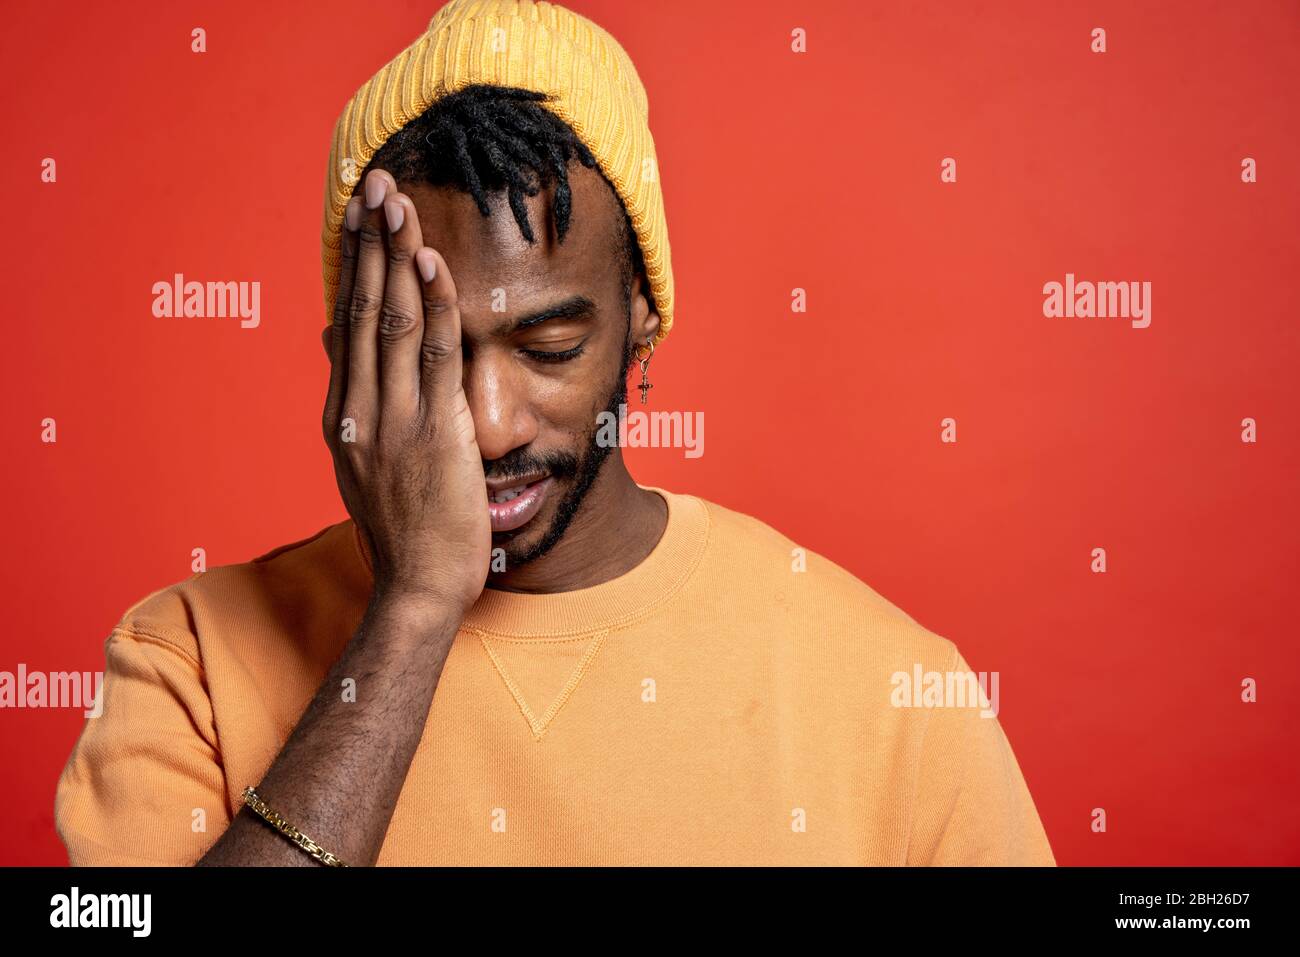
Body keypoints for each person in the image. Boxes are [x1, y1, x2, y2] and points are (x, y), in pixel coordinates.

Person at [54, 0, 1054, 866]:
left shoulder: (892, 693)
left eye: (549, 343)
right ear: (353, 350)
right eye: (436, 355)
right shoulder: (185, 660)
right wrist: (411, 611)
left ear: (643, 318)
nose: (488, 426)